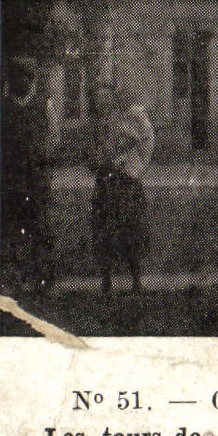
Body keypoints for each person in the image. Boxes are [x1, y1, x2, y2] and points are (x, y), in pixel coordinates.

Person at [91, 82, 154, 295]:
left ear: (113, 99)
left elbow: (144, 142)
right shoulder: (96, 125)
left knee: (130, 229)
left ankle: (136, 280)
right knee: (103, 231)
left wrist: (131, 167)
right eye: (98, 98)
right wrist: (95, 163)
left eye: (106, 97)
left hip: (126, 182)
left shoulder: (128, 118)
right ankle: (106, 281)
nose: (102, 102)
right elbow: (90, 152)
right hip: (104, 183)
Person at [0, 55, 54, 292]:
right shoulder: (4, 108)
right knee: (13, 228)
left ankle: (42, 278)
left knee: (40, 228)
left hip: (36, 177)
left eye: (28, 77)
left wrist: (44, 159)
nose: (24, 82)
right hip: (12, 178)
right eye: (18, 77)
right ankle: (15, 277)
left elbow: (51, 138)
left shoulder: (42, 106)